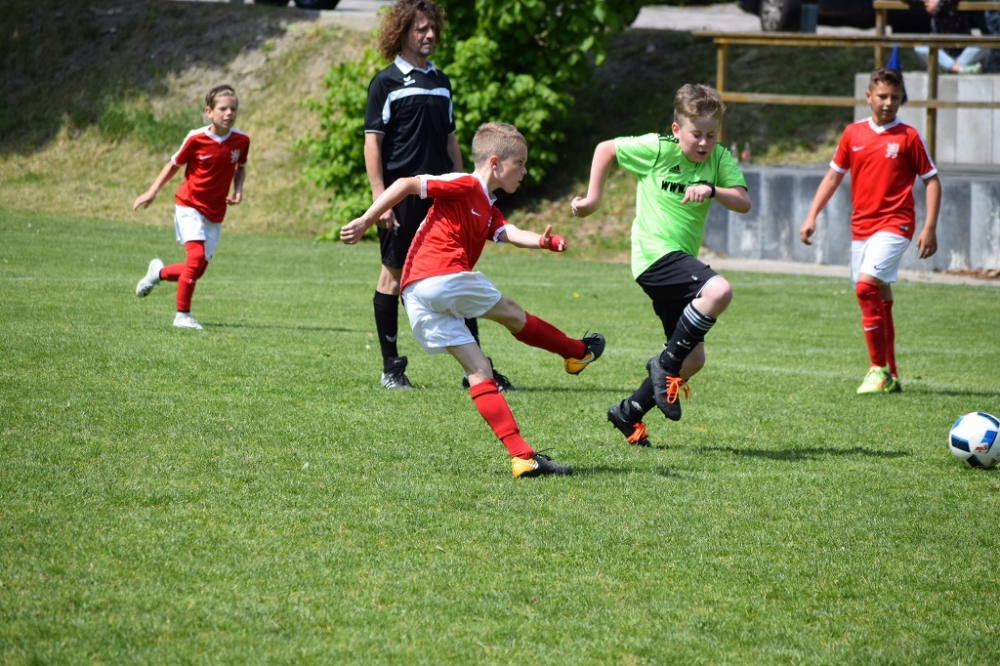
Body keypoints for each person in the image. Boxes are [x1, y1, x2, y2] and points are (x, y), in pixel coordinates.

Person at [341, 122, 605, 478]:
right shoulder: (466, 184)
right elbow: (405, 184)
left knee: (480, 371)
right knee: (510, 312)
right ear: (495, 162)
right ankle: (575, 352)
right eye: (520, 163)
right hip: (438, 275)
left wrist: (543, 241)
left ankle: (522, 457)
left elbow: (510, 232)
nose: (525, 171)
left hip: (415, 295)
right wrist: (365, 220)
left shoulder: (488, 207)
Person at [571, 84, 751, 448]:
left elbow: (743, 202)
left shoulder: (718, 158)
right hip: (653, 256)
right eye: (696, 134)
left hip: (679, 264)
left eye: (711, 135)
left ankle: (629, 411)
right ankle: (664, 364)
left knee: (693, 359)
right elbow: (606, 149)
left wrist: (712, 189)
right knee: (719, 291)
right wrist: (592, 200)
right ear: (676, 129)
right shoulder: (657, 148)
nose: (704, 143)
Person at [363, 0, 514, 391]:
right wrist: (380, 201)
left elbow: (450, 140)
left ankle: (476, 371)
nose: (430, 35)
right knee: (392, 276)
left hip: (442, 196)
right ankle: (391, 369)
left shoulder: (441, 82)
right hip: (403, 198)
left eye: (433, 28)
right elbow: (372, 144)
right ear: (402, 33)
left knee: (457, 275)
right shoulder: (385, 82)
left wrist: (469, 186)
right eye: (421, 29)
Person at [799, 67, 941, 395]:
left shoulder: (908, 136)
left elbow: (932, 180)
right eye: (882, 96)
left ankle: (877, 369)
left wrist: (929, 227)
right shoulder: (853, 134)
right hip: (861, 228)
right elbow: (833, 176)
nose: (888, 103)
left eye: (895, 97)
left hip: (896, 224)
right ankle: (891, 374)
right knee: (879, 294)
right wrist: (811, 215)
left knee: (865, 288)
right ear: (868, 96)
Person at [132, 84, 249, 330]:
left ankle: (157, 273)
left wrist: (238, 190)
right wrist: (152, 191)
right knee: (194, 259)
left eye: (233, 109)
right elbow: (173, 164)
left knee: (197, 270)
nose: (229, 113)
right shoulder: (196, 138)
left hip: (215, 211)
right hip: (189, 205)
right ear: (209, 111)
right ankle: (182, 316)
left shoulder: (241, 140)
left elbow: (241, 167)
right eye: (223, 109)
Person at [914, 0, 987, 74]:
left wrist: (938, 4)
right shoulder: (930, 2)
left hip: (962, 47)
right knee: (920, 46)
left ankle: (947, 68)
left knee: (985, 43)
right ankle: (959, 69)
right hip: (940, 48)